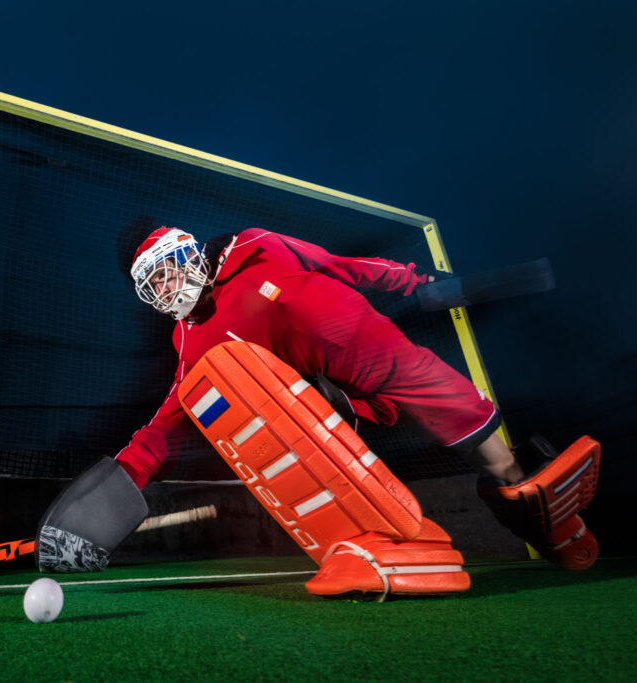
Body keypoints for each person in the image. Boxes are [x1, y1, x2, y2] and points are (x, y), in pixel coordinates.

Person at [34, 225, 600, 597]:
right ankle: (371, 547)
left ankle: (540, 515)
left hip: (382, 355)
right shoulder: (191, 340)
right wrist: (100, 508)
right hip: (334, 403)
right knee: (293, 425)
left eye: (169, 267)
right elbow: (167, 422)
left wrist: (412, 281)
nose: (167, 284)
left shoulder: (256, 246)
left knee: (494, 457)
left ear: (190, 254)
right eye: (153, 282)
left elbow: (340, 264)